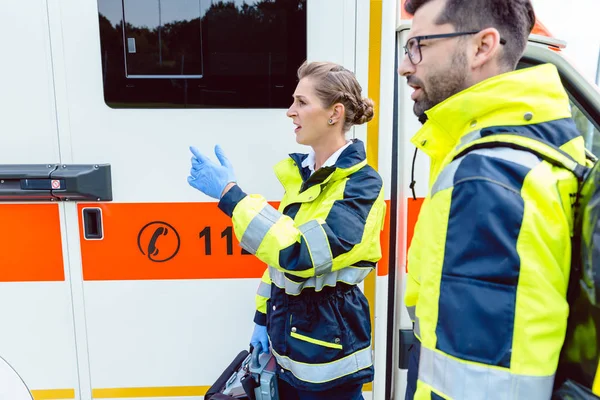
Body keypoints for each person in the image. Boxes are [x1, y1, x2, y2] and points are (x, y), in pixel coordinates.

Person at [399, 0, 588, 398]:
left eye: (419, 46)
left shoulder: (489, 175)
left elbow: (478, 385)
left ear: (482, 47)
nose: (405, 66)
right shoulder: (515, 153)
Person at [187, 61, 386, 400]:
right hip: (289, 347)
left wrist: (231, 195)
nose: (290, 112)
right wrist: (262, 317)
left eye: (302, 102)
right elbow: (277, 264)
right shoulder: (305, 175)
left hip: (328, 358)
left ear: (334, 113)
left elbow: (301, 253)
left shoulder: (362, 184)